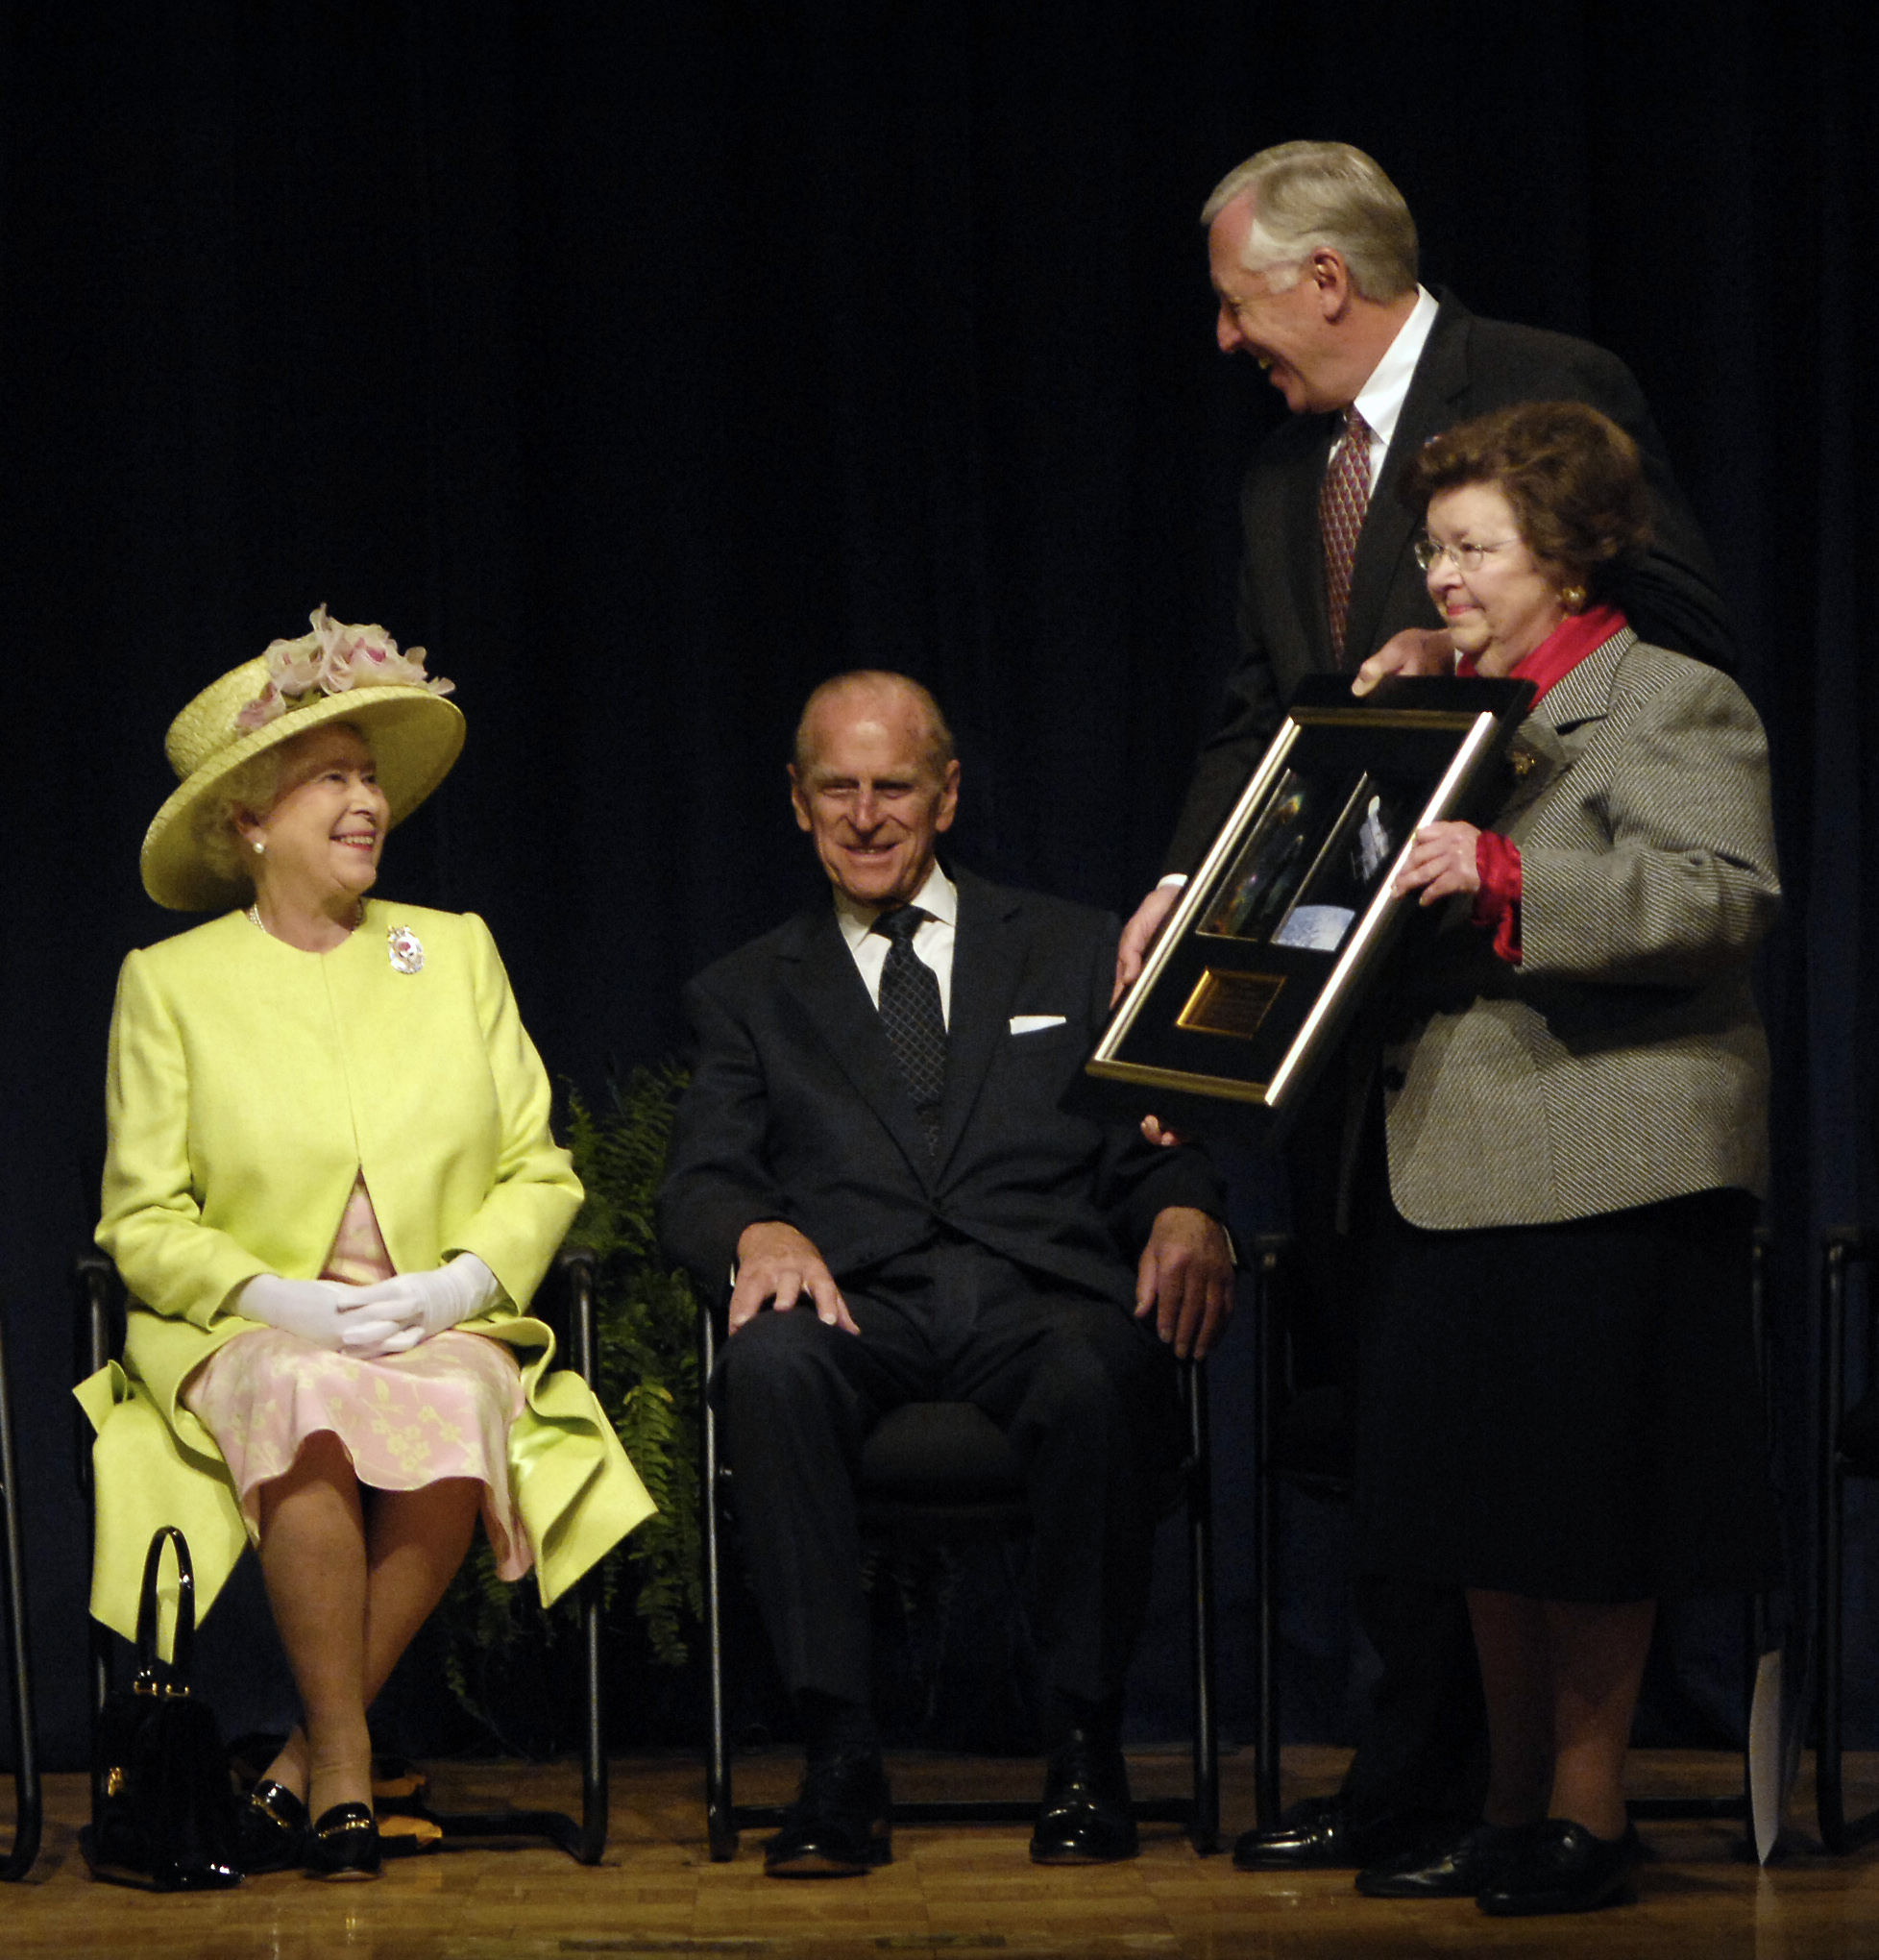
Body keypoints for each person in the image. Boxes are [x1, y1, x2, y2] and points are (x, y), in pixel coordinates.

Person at [1117, 139, 1741, 1874]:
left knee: (1549, 1463)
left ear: (1325, 277)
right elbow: (1264, 716)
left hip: (1549, 1024)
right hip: (1375, 1017)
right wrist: (1188, 889)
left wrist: (1462, 665)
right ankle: (1426, 1782)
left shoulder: (1550, 390)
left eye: (1242, 302)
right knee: (1419, 1439)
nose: (1230, 341)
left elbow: (1674, 625)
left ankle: (1548, 1797)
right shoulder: (1277, 485)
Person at [79, 608, 653, 1880]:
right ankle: (341, 1759)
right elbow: (141, 1217)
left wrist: (461, 1281)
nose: (364, 798)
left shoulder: (451, 952)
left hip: (431, 1321)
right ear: (250, 821)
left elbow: (535, 1166)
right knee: (304, 1396)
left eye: (368, 774)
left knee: (457, 1398)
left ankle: (299, 1765)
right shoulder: (170, 983)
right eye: (329, 776)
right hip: (249, 1332)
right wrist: (278, 1298)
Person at [658, 672, 1233, 1876]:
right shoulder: (747, 990)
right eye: (838, 791)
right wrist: (755, 1230)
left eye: (894, 788)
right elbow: (702, 1178)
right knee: (766, 1373)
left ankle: (1085, 1749)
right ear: (799, 804)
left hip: (1037, 1298)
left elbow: (1151, 1151)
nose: (866, 817)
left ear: (948, 794)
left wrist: (1185, 1209)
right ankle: (838, 1759)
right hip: (857, 1305)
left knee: (1097, 1374)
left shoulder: (1075, 955)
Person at [1337, 400, 1780, 1914]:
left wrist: (1514, 871)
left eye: (1471, 548)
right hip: (1458, 1150)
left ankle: (1591, 1812)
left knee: (1590, 1513)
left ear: (1571, 555)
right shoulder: (1449, 706)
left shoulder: (1670, 699)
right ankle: (1505, 1800)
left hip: (1614, 1155)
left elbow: (1721, 896)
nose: (1441, 575)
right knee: (1480, 1508)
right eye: (1432, 547)